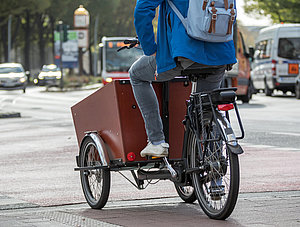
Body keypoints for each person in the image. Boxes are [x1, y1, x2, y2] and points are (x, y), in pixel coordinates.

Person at [129, 0, 237, 158]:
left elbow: (142, 10)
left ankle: (156, 141)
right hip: (222, 54)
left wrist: (150, 48)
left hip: (185, 52)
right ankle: (215, 175)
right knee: (207, 108)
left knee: (136, 74)